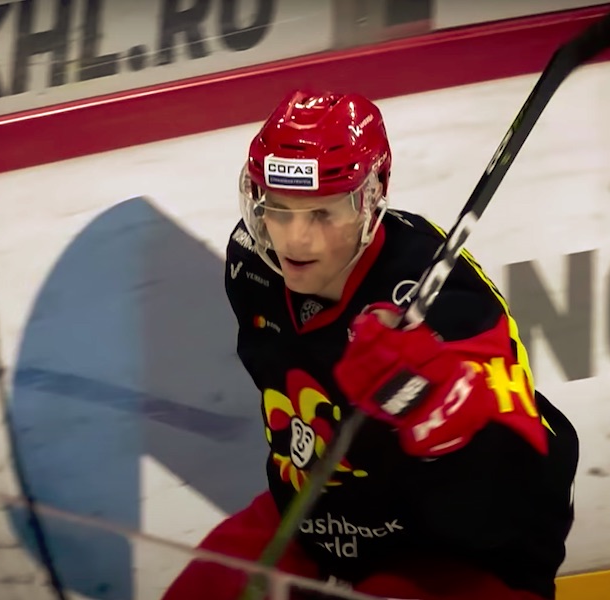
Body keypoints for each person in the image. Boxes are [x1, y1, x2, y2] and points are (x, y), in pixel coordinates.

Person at [162, 90, 579, 600]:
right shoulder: (252, 265)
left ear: (372, 197)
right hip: (321, 516)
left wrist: (434, 408)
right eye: (279, 210)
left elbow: (512, 500)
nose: (295, 240)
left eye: (322, 214)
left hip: (450, 549)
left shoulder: (444, 300)